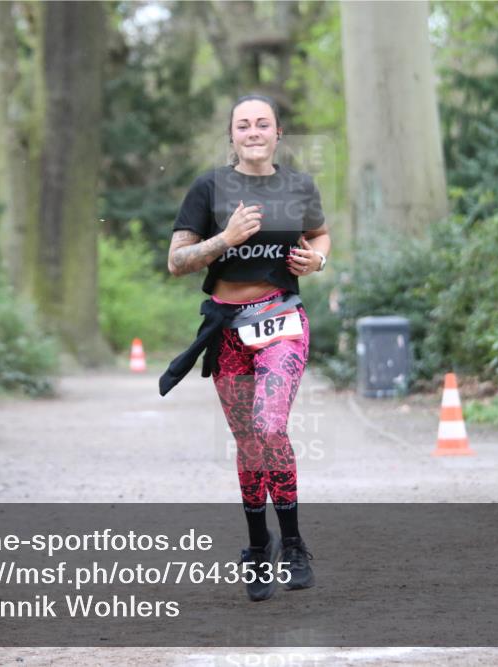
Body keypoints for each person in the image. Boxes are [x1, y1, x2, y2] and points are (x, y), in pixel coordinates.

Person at [160, 94, 331, 602]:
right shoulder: (209, 187)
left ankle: (295, 544)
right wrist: (225, 239)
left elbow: (320, 236)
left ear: (278, 133)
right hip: (228, 329)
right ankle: (259, 547)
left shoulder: (299, 185)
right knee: (249, 443)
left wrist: (315, 262)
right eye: (243, 125)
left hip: (281, 320)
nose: (253, 131)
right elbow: (177, 261)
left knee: (269, 425)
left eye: (263, 124)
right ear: (231, 136)